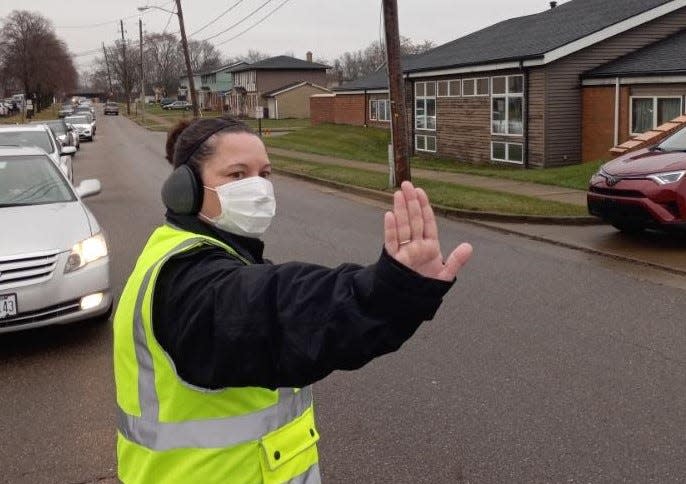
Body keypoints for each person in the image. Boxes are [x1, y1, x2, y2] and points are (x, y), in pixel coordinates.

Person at [113, 115, 473, 484]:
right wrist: (386, 291)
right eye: (237, 175)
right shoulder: (189, 279)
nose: (258, 188)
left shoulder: (212, 255)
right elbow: (277, 308)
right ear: (184, 191)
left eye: (264, 174)